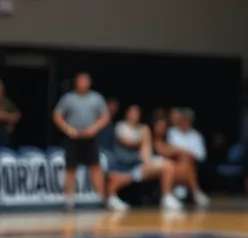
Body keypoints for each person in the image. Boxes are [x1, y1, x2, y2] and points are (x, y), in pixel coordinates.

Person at [103, 104, 185, 212]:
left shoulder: (143, 128)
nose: (135, 115)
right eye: (132, 112)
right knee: (116, 180)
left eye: (137, 113)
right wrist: (143, 138)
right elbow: (129, 143)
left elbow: (145, 149)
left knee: (168, 166)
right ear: (127, 114)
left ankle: (167, 197)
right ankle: (112, 200)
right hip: (124, 165)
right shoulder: (121, 126)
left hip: (140, 164)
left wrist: (146, 160)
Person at [52, 71, 108, 211]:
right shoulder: (68, 98)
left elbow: (105, 116)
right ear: (76, 82)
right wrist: (67, 129)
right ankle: (68, 201)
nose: (83, 84)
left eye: (86, 81)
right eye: (80, 81)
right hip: (73, 137)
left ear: (89, 82)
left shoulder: (96, 98)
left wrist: (95, 128)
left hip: (90, 137)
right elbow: (57, 115)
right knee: (71, 168)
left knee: (95, 167)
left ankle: (101, 198)